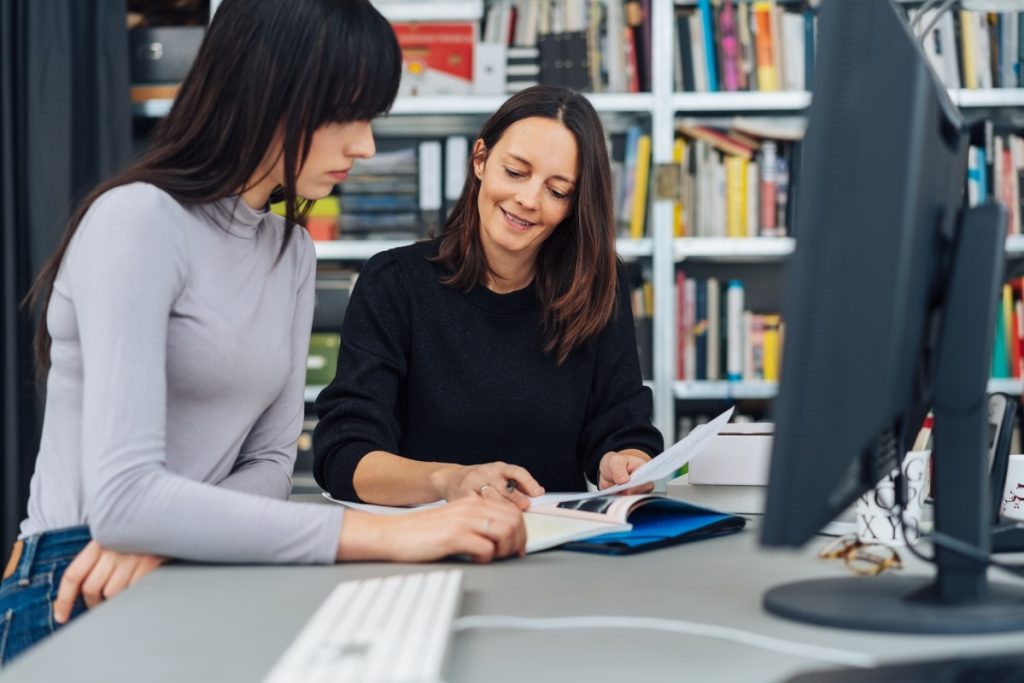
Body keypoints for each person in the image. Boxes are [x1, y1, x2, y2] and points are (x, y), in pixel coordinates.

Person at [0, 0, 526, 666]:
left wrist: (173, 529)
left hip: (191, 562)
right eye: (348, 114)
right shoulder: (136, 221)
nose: (365, 145)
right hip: (78, 578)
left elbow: (273, 467)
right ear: (269, 89)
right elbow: (124, 497)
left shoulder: (291, 252)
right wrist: (398, 534)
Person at [313, 86, 664, 511]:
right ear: (480, 159)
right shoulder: (394, 283)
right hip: (420, 545)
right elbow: (344, 455)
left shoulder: (596, 285)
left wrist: (624, 462)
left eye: (556, 191)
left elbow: (623, 427)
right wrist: (450, 481)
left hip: (556, 549)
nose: (528, 200)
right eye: (515, 172)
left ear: (574, 206)